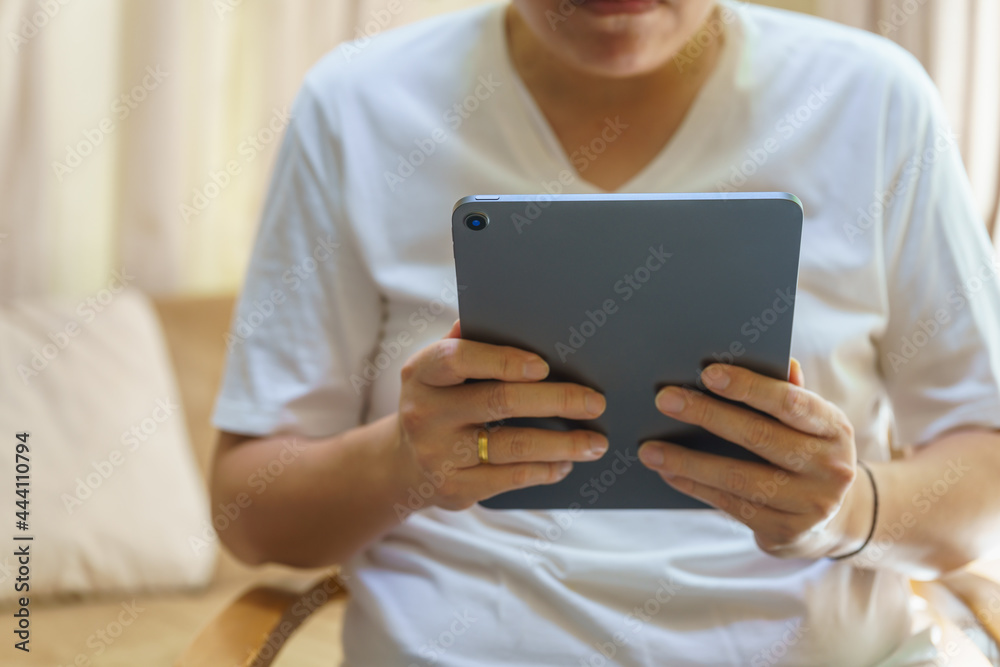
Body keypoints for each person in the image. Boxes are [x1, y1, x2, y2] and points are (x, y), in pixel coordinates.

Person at [209, 0, 1000, 664]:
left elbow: (985, 473)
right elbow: (248, 512)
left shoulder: (876, 101)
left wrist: (848, 511)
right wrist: (400, 462)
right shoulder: (356, 106)